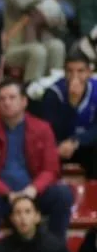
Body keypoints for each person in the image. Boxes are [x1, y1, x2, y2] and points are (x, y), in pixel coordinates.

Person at [0, 78, 73, 237]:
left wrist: (33, 190)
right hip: (2, 195)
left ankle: (56, 248)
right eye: (2, 99)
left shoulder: (42, 128)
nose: (6, 103)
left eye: (12, 98)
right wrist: (7, 193)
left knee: (63, 194)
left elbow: (51, 169)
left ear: (24, 102)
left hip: (33, 192)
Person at [32, 50, 97, 178]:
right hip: (59, 146)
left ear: (89, 72)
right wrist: (71, 105)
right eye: (70, 71)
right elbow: (50, 131)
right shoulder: (53, 94)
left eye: (80, 71)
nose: (75, 76)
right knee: (42, 153)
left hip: (84, 144)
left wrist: (76, 141)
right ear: (64, 73)